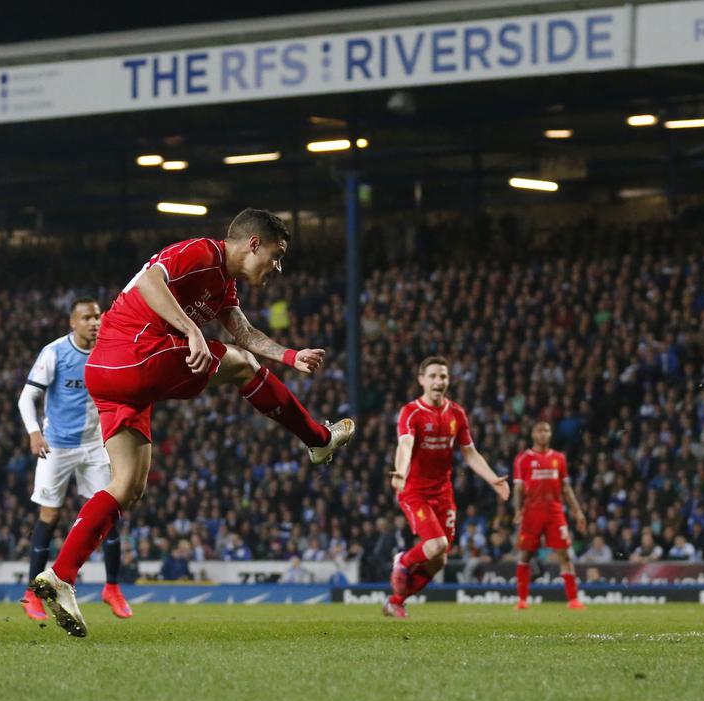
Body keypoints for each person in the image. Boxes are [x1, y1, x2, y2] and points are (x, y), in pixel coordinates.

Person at [31, 209, 355, 638]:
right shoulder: (201, 252)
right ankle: (317, 439)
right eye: (275, 256)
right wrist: (193, 332)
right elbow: (150, 281)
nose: (277, 268)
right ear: (253, 243)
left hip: (111, 380)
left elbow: (244, 333)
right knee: (241, 366)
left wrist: (289, 355)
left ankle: (60, 576)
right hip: (132, 353)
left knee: (128, 486)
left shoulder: (226, 286)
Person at [17, 297, 132, 621]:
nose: (94, 322)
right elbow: (28, 396)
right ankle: (31, 595)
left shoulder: (108, 349)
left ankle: (112, 587)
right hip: (56, 446)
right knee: (49, 516)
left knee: (108, 513)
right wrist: (34, 432)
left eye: (96, 316)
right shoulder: (55, 352)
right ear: (73, 322)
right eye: (86, 318)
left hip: (94, 446)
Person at [383, 356, 509, 619]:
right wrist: (401, 471)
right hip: (414, 491)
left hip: (443, 493)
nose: (438, 381)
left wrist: (493, 478)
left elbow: (470, 454)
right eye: (433, 376)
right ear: (421, 380)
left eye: (443, 376)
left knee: (439, 558)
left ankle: (395, 601)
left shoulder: (456, 414)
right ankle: (403, 561)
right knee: (437, 543)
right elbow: (405, 445)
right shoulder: (412, 412)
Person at [512, 421, 587, 610]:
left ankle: (573, 600)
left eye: (546, 430)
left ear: (551, 434)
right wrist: (517, 511)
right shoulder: (524, 459)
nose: (543, 434)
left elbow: (566, 488)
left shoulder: (559, 458)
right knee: (525, 554)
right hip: (532, 512)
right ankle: (522, 600)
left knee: (565, 555)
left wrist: (577, 512)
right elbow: (519, 488)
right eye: (539, 431)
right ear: (533, 434)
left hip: (555, 512)